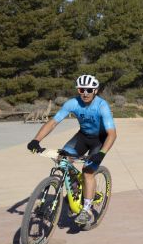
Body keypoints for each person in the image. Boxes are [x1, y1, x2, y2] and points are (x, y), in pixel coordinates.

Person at [27, 74, 117, 225]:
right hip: (82, 137)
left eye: (89, 89)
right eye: (82, 89)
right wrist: (36, 140)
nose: (85, 93)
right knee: (62, 160)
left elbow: (112, 134)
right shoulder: (72, 103)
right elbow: (53, 122)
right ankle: (75, 193)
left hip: (100, 140)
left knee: (88, 171)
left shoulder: (102, 106)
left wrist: (101, 154)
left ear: (95, 90)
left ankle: (86, 210)